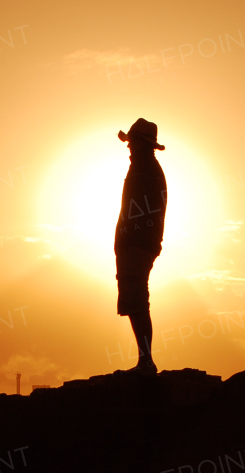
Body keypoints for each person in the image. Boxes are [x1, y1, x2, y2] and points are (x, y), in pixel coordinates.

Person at [113, 118, 167, 376]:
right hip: (138, 242)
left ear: (141, 144)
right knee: (135, 299)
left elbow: (139, 212)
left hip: (138, 243)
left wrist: (127, 239)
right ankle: (144, 360)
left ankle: (146, 361)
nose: (129, 147)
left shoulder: (145, 169)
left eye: (132, 142)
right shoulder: (145, 167)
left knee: (136, 299)